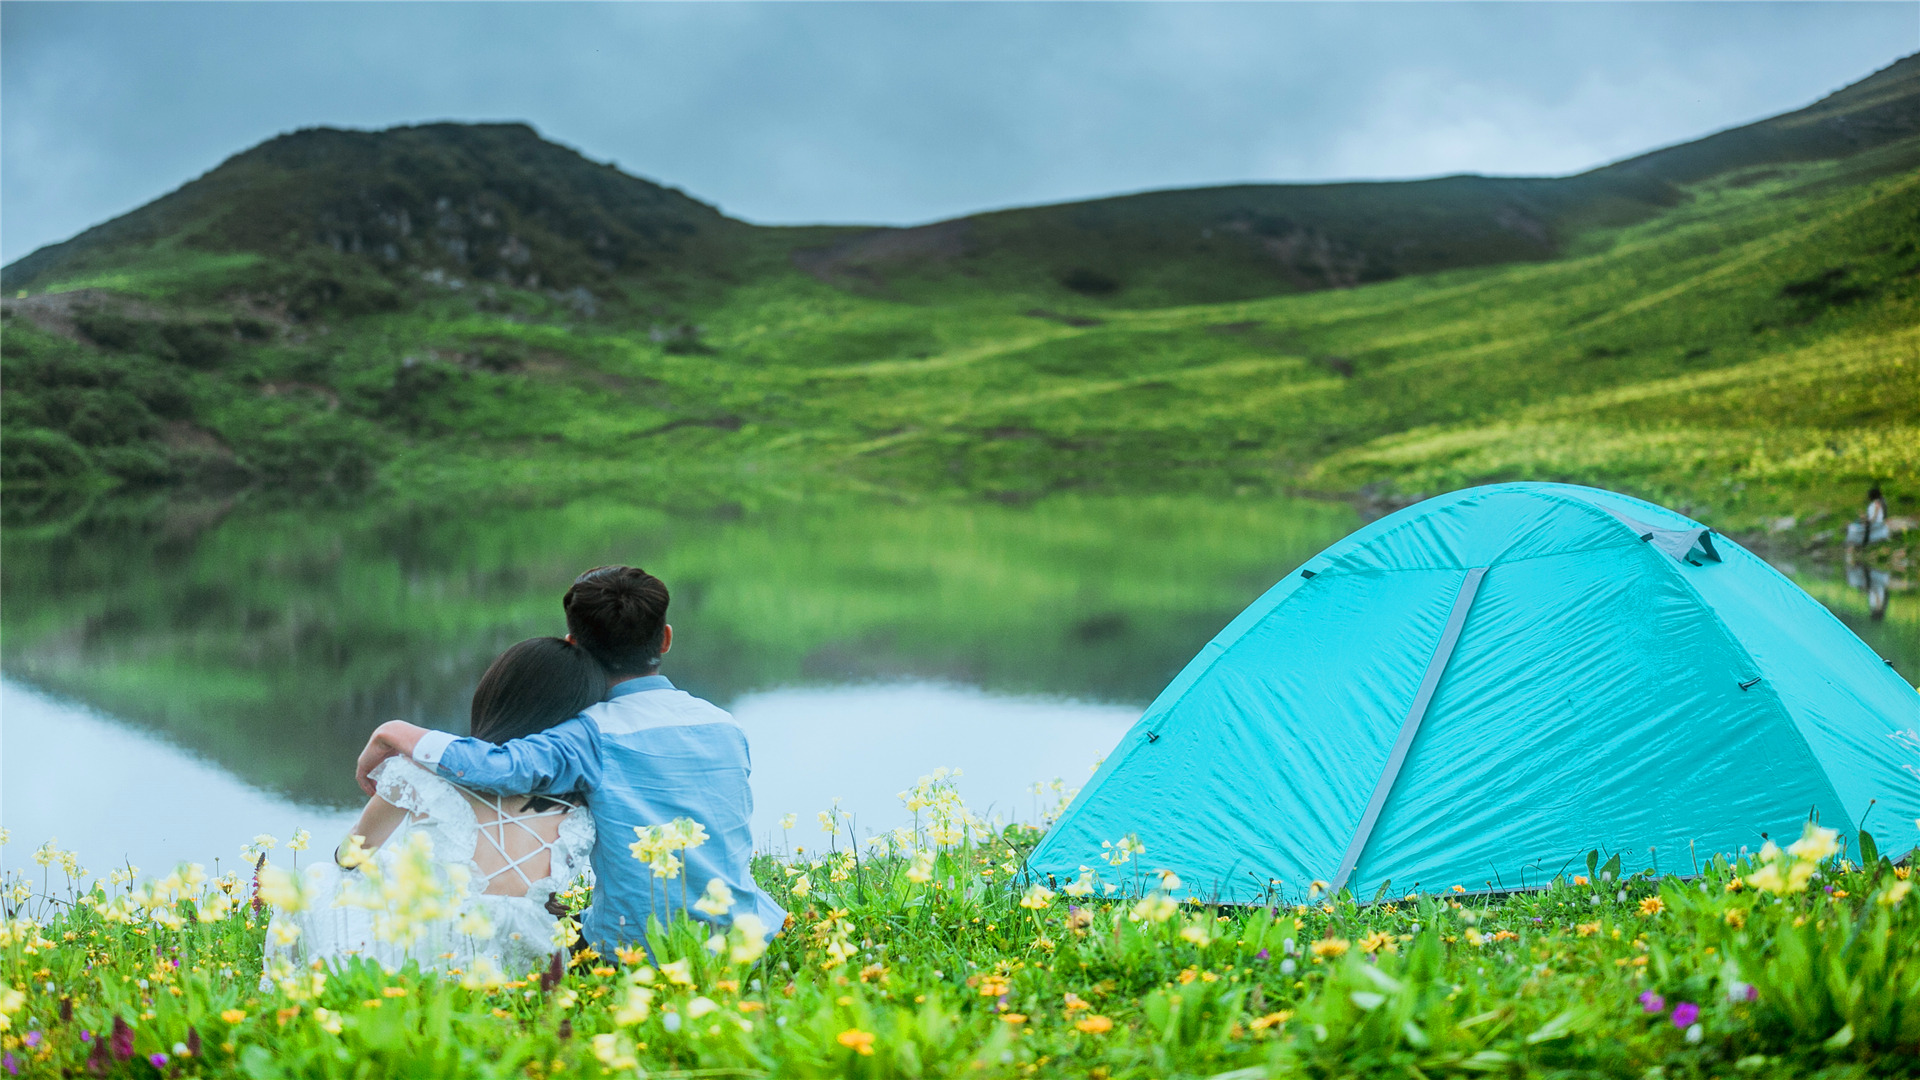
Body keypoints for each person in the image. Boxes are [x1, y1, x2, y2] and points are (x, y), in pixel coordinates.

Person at [353, 566, 785, 958]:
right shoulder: (724, 724)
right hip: (747, 935)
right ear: (666, 638)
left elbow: (496, 766)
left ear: (573, 644)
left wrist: (392, 731)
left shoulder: (588, 734)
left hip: (639, 947)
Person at [267, 637, 605, 979]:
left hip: (437, 950)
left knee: (319, 879)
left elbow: (351, 856)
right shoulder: (582, 802)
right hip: (529, 953)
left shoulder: (419, 773)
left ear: (497, 694)